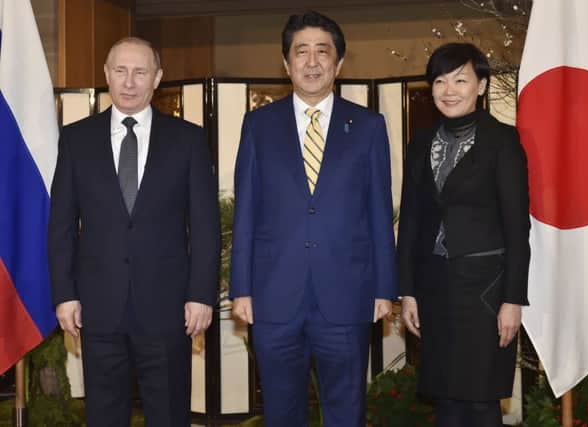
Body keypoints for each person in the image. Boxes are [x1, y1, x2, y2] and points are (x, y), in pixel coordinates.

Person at [230, 10, 397, 427]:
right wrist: (242, 289)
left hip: (347, 295)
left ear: (339, 63)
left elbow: (379, 210)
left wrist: (384, 288)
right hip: (273, 296)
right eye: (300, 52)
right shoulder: (258, 125)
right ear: (286, 64)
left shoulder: (369, 126)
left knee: (345, 411)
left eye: (323, 51)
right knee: (281, 413)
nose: (312, 61)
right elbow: (246, 211)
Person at [48, 37, 220, 427]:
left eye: (140, 72)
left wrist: (200, 294)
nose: (129, 82)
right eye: (121, 71)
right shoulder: (76, 139)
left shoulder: (188, 140)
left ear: (157, 78)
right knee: (104, 415)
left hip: (169, 310)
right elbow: (60, 225)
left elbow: (205, 225)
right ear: (106, 74)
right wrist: (64, 294)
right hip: (97, 308)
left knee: (169, 414)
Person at [397, 42, 530, 427]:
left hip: (485, 292)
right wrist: (407, 289)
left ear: (482, 86)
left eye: (460, 79)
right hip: (434, 288)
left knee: (480, 400)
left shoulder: (502, 141)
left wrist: (512, 299)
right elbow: (411, 220)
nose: (449, 90)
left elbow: (517, 226)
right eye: (439, 81)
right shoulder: (421, 143)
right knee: (446, 400)